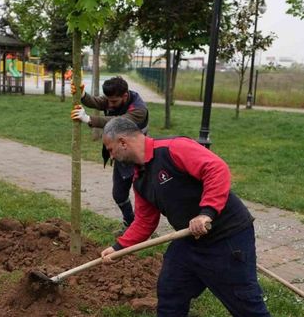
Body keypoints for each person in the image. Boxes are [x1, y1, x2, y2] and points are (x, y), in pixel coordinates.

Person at [99, 117, 270, 317]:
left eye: (110, 150)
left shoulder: (173, 148)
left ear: (122, 142)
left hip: (227, 236)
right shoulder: (140, 179)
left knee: (246, 304)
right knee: (171, 292)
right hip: (189, 240)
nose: (112, 156)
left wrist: (206, 213)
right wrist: (119, 248)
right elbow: (145, 221)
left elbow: (216, 169)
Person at [70, 76, 148, 233]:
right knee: (119, 194)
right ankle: (130, 222)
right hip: (121, 156)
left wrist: (88, 119)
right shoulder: (113, 97)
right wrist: (83, 94)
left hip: (141, 159)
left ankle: (143, 229)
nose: (109, 104)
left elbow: (117, 122)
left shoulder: (139, 109)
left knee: (145, 197)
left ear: (125, 96)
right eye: (109, 100)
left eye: (113, 101)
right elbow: (98, 102)